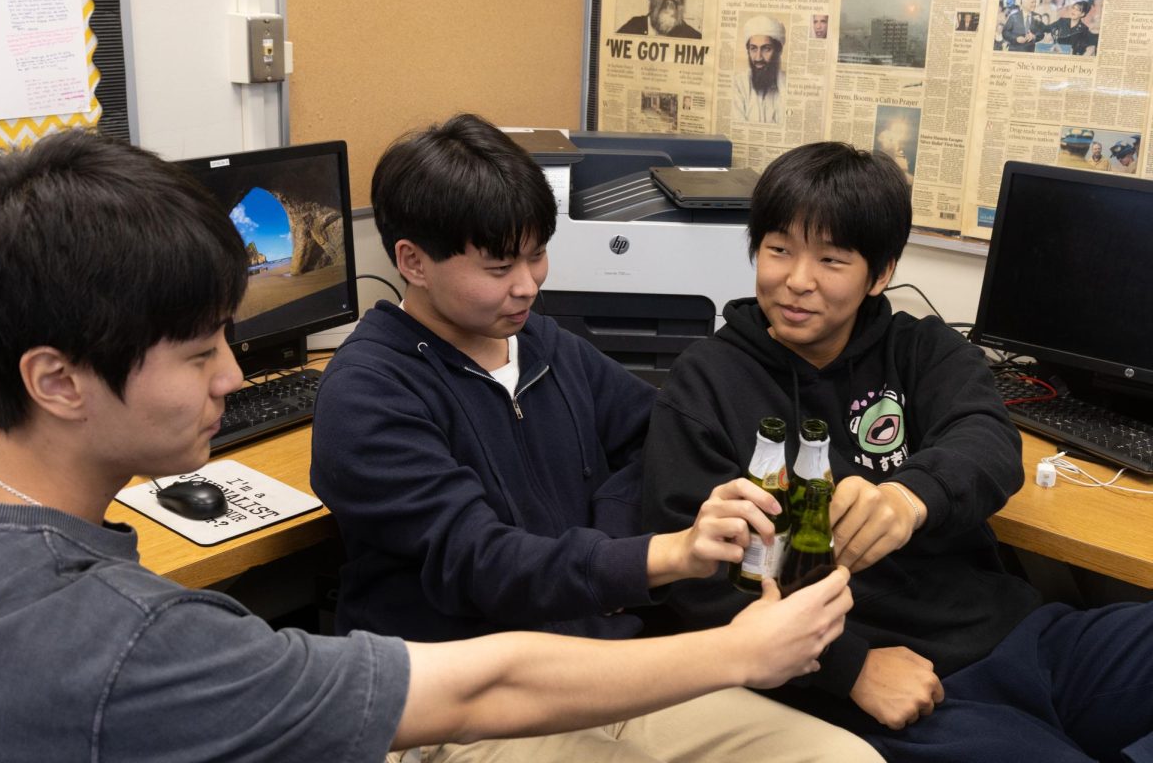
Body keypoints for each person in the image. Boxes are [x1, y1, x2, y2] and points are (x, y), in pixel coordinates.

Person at [0, 129, 856, 761]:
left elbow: (641, 442)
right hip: (463, 710)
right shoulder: (137, 640)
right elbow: (475, 675)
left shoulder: (546, 348)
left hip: (595, 659)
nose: (233, 378)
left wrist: (610, 531)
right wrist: (701, 606)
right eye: (200, 353)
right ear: (57, 380)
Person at [310, 115, 881, 763]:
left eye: (535, 254)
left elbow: (655, 436)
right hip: (467, 710)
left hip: (608, 670)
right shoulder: (370, 392)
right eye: (500, 266)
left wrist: (608, 544)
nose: (528, 284)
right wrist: (664, 555)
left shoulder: (542, 344)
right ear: (412, 261)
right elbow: (484, 563)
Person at [642, 140, 1153, 762]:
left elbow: (989, 440)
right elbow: (694, 589)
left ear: (880, 273)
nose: (796, 281)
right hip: (885, 689)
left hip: (1021, 636)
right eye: (778, 250)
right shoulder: (705, 384)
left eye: (831, 259)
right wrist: (848, 669)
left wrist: (910, 497)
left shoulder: (920, 348)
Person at [734, 15, 786, 123]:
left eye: (766, 49)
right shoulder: (738, 84)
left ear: (778, 51)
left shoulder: (789, 85)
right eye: (753, 48)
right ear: (748, 50)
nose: (758, 57)